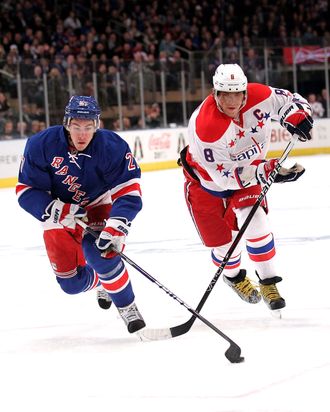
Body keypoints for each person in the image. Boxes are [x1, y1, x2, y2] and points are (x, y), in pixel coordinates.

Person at [179, 64, 313, 311]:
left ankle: (268, 282)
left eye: (237, 93)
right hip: (206, 184)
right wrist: (265, 171)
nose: (231, 100)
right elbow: (224, 178)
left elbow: (290, 100)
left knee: (257, 221)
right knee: (224, 247)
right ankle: (234, 277)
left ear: (244, 92)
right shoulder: (207, 127)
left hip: (248, 175)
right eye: (224, 94)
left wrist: (297, 115)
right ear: (215, 93)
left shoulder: (259, 95)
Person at [16, 95, 145, 333]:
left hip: (97, 203)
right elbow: (26, 190)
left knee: (102, 253)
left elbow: (128, 189)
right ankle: (102, 280)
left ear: (97, 125)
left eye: (88, 127)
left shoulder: (111, 147)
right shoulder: (41, 144)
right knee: (71, 284)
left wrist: (116, 224)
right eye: (76, 126)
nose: (82, 134)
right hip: (57, 210)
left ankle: (127, 306)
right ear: (67, 123)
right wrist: (54, 209)